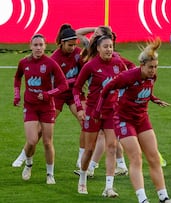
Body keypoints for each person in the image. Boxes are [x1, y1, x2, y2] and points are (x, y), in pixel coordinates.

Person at [93, 37, 171, 203]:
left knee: (153, 157)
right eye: (150, 67)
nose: (153, 70)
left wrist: (154, 98)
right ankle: (142, 199)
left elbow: (146, 90)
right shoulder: (127, 77)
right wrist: (98, 111)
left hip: (142, 118)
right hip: (123, 119)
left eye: (156, 67)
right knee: (136, 157)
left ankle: (163, 197)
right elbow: (106, 89)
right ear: (142, 65)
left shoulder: (152, 77)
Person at [11, 24, 86, 169]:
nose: (72, 47)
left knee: (85, 122)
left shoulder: (78, 53)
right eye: (69, 45)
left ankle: (81, 158)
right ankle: (23, 154)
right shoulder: (54, 59)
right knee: (39, 131)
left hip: (74, 93)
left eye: (74, 44)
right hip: (57, 94)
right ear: (62, 43)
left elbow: (84, 71)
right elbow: (57, 82)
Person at [73, 34, 129, 197]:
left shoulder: (118, 64)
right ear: (98, 48)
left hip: (111, 112)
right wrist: (80, 109)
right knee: (89, 149)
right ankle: (83, 178)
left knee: (111, 146)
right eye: (105, 46)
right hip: (93, 112)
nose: (109, 49)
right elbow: (76, 88)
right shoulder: (90, 66)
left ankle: (108, 187)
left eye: (111, 46)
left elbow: (126, 83)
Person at [13, 34, 68, 184]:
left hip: (47, 107)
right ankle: (29, 164)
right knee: (31, 140)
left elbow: (64, 85)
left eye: (41, 45)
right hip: (30, 106)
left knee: (47, 142)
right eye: (35, 45)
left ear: (45, 46)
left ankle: (50, 174)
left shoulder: (50, 64)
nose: (38, 48)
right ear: (30, 45)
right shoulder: (23, 63)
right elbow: (17, 78)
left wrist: (48, 94)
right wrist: (17, 95)